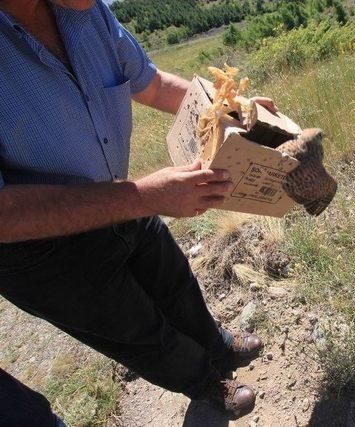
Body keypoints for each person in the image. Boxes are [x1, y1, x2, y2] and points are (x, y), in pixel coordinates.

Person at [0, 0, 274, 421]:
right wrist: (146, 196)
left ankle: (217, 346)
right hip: (37, 250)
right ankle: (205, 383)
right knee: (136, 329)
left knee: (173, 279)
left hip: (121, 194)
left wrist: (232, 112)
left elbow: (153, 84)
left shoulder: (85, 12)